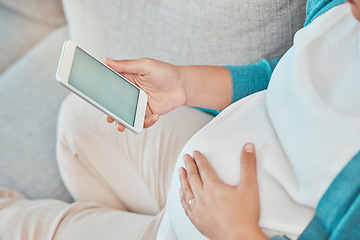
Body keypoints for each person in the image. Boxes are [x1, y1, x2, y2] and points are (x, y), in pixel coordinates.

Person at [0, 0, 359, 240]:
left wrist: (237, 230)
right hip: (206, 174)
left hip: (232, 229)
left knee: (10, 224)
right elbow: (289, 72)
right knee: (77, 122)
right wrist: (184, 85)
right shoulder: (343, 9)